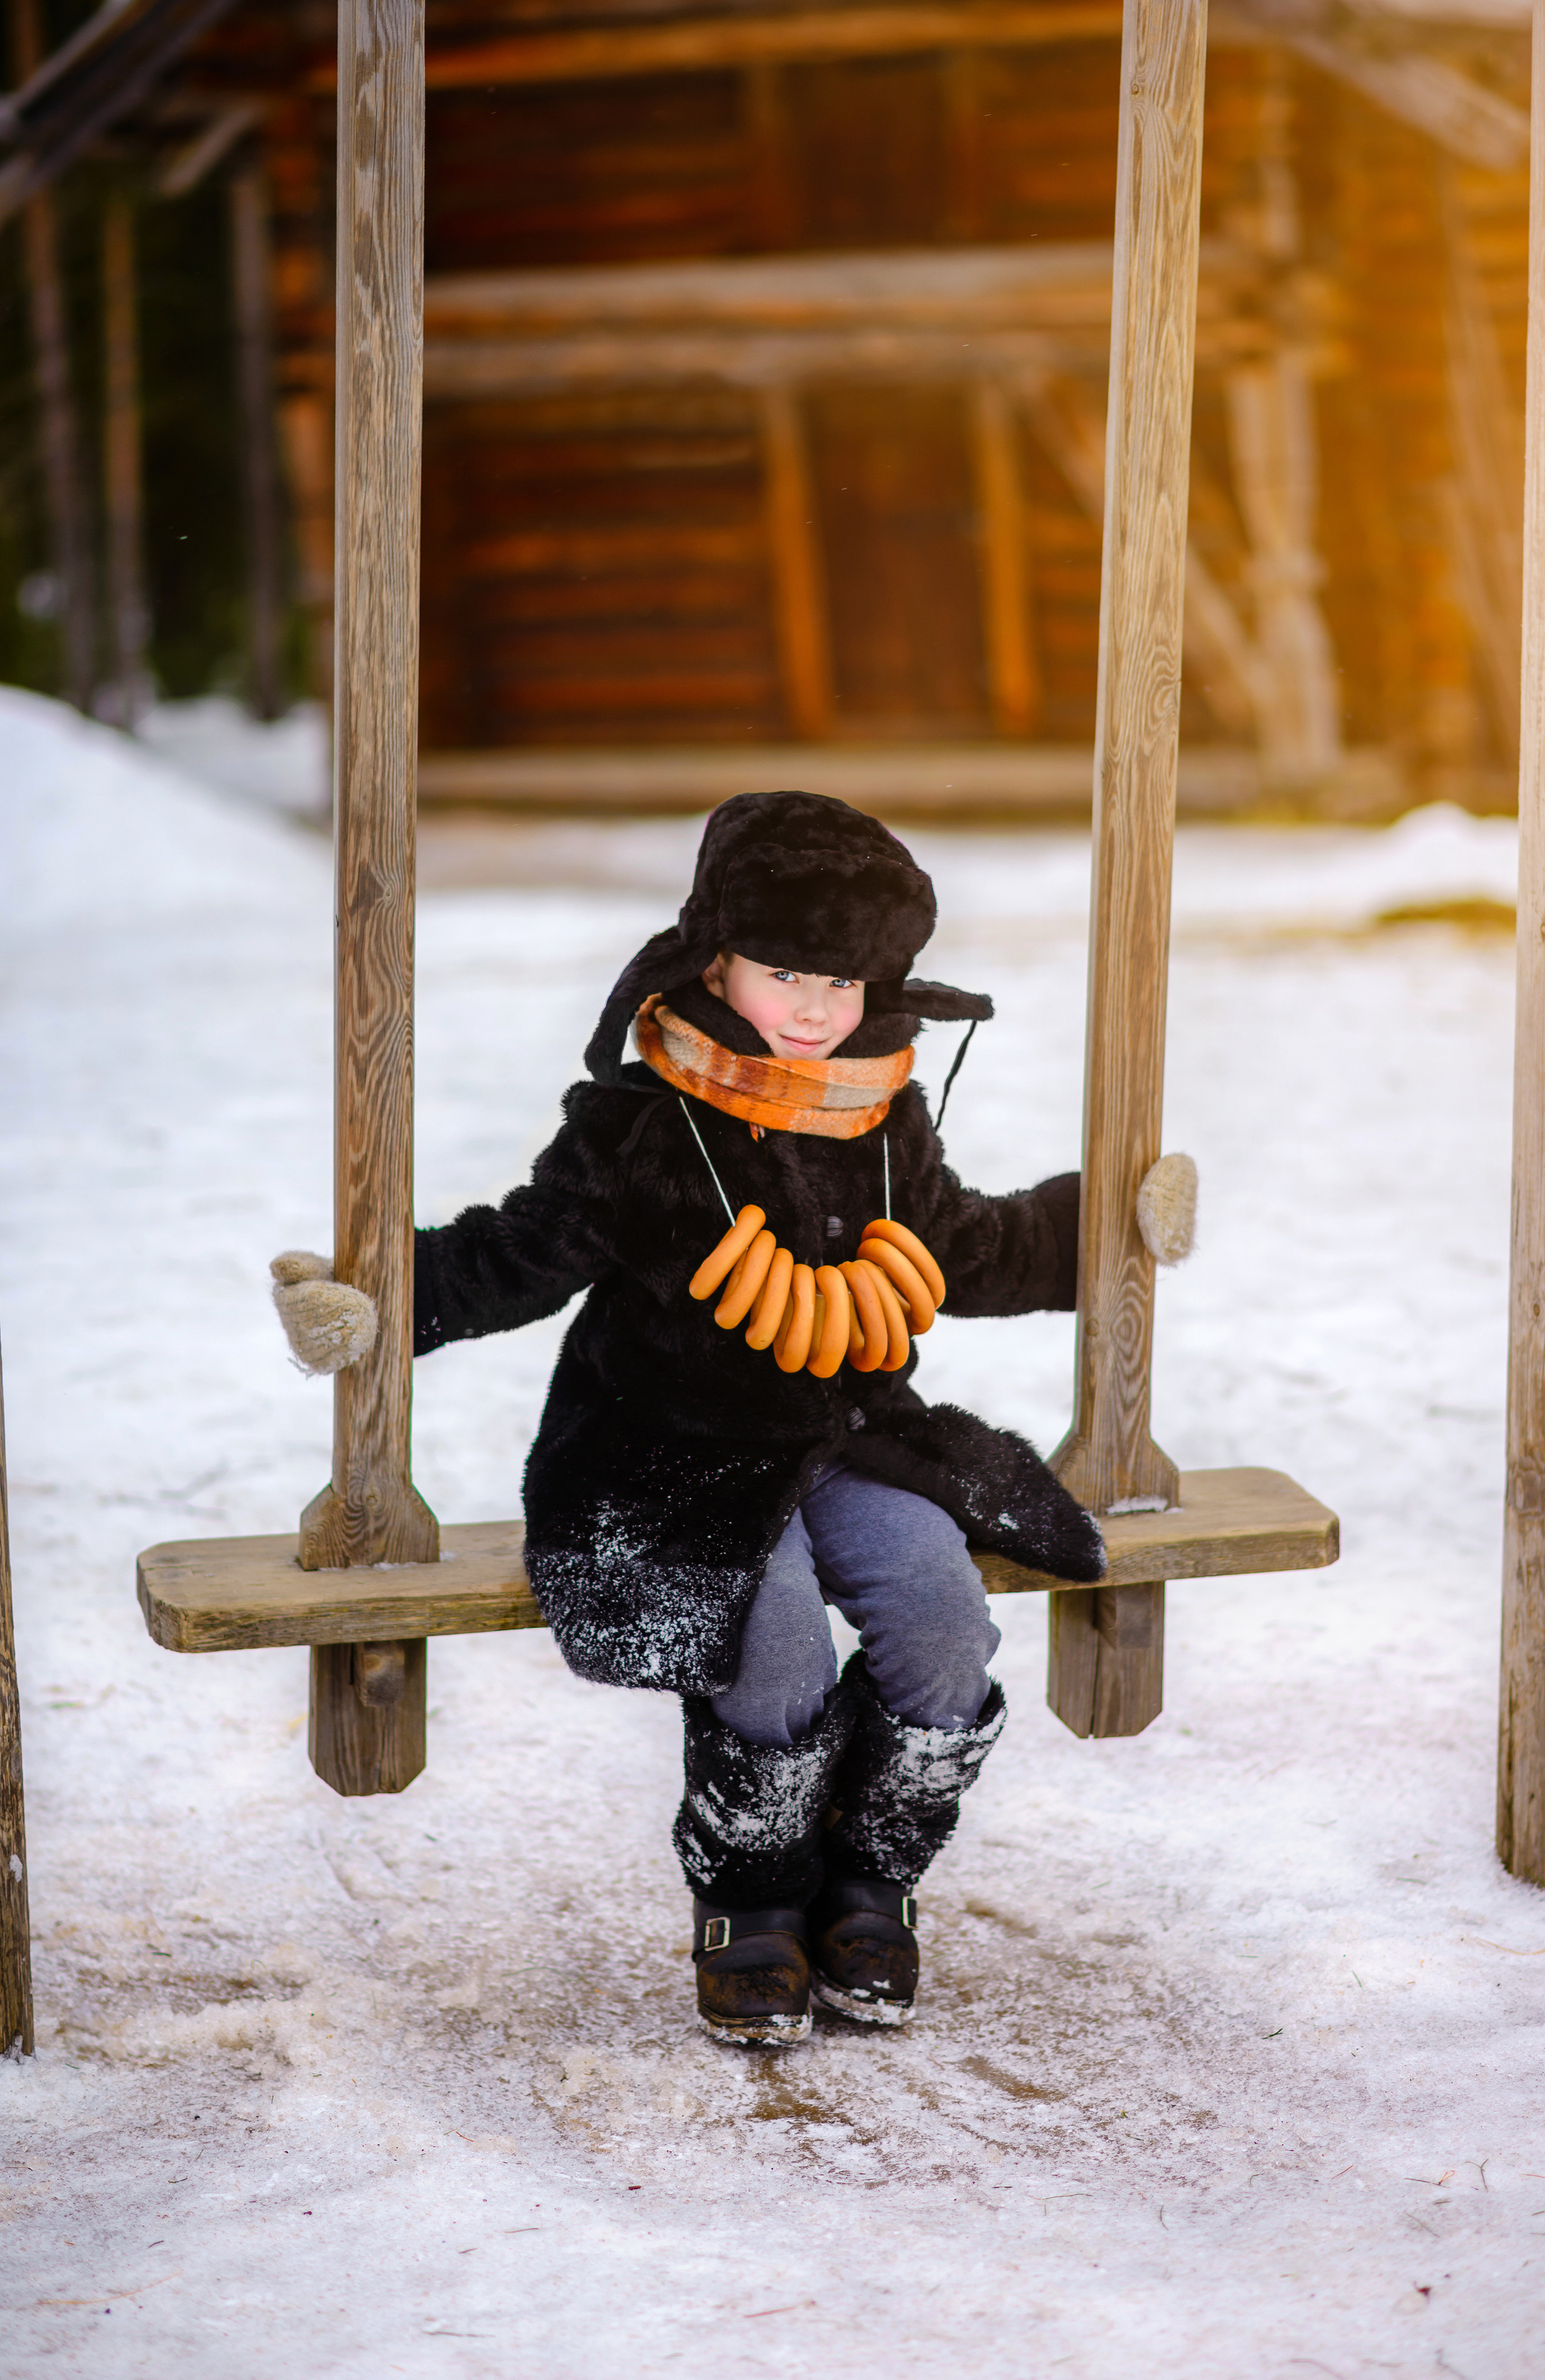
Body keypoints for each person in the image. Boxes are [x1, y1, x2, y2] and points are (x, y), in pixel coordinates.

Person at [273, 792, 1112, 2046]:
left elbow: (970, 1248)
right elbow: (525, 1250)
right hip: (663, 1449)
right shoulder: (639, 1126)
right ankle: (753, 1902)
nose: (820, 1009)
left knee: (941, 1621)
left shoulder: (882, 1122)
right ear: (710, 959)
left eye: (847, 980)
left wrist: (1101, 1229)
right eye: (786, 974)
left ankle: (870, 1881)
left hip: (850, 1439)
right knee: (763, 1642)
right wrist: (382, 1305)